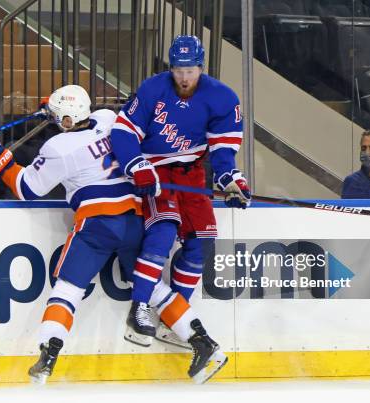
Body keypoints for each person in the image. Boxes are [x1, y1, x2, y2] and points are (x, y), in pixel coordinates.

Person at [0, 84, 144, 383]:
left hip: (97, 223)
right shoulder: (107, 118)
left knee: (67, 289)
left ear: (65, 120)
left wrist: (0, 164)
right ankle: (198, 337)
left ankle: (49, 354)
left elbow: (28, 188)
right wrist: (55, 108)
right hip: (134, 216)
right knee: (150, 285)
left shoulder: (58, 149)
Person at [109, 35, 250, 381]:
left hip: (190, 173)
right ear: (170, 68)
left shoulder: (221, 97)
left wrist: (231, 179)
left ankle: (176, 319)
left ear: (201, 67)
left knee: (202, 243)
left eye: (190, 70)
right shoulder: (152, 89)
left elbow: (222, 152)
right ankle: (139, 307)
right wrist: (136, 166)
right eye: (178, 70)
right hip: (155, 171)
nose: (184, 77)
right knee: (163, 228)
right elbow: (123, 132)